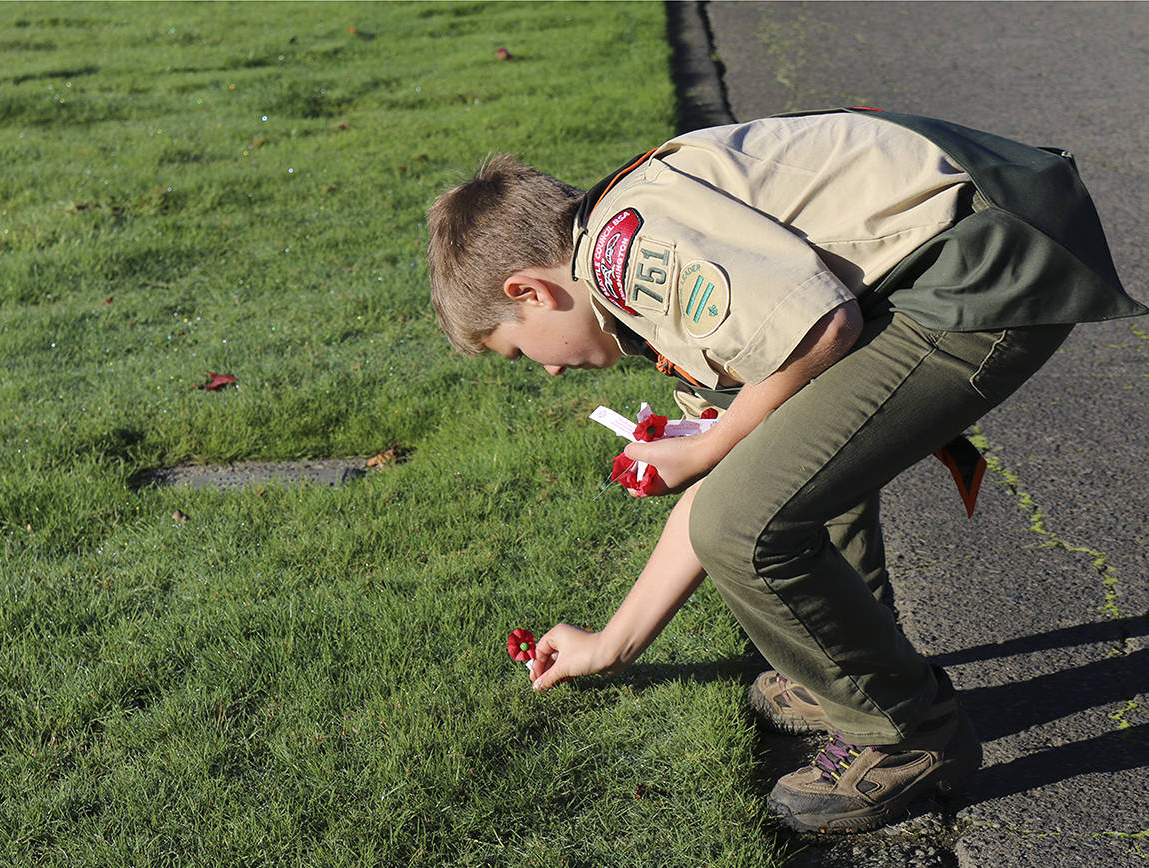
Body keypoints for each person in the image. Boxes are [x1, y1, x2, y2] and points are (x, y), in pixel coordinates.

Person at [426, 108, 1146, 834]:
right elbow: (740, 470)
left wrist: (708, 446)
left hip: (983, 262)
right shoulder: (632, 256)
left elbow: (823, 329)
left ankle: (903, 735)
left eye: (521, 352)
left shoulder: (626, 253)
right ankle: (849, 663)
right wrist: (614, 642)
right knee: (768, 475)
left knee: (745, 522)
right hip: (984, 237)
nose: (548, 368)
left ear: (529, 291)